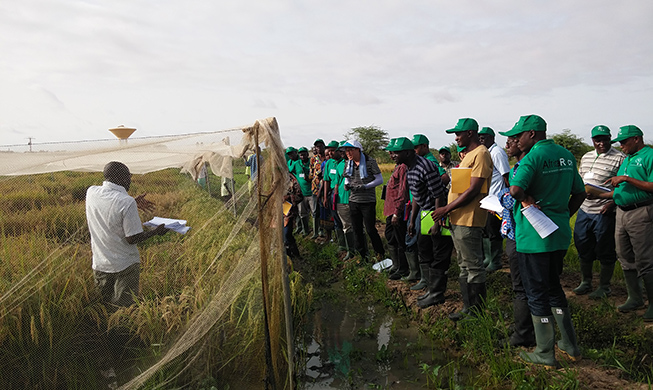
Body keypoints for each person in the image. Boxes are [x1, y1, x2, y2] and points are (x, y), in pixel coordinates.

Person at [502, 114, 586, 368]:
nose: (515, 140)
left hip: (533, 237)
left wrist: (528, 201)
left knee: (536, 292)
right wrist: (560, 216)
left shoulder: (533, 157)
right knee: (554, 288)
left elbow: (515, 191)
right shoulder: (566, 155)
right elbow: (580, 193)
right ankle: (570, 345)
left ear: (532, 135)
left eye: (518, 136)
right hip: (558, 233)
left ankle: (544, 352)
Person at [431, 118, 492, 320]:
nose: (456, 138)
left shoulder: (481, 154)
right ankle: (467, 308)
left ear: (470, 133)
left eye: (459, 134)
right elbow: (459, 187)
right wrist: (449, 212)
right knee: (464, 266)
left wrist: (445, 209)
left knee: (473, 267)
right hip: (458, 219)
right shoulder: (468, 156)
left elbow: (474, 189)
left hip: (470, 219)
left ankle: (477, 313)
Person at [86, 161, 169, 308]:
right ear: (121, 178)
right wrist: (156, 232)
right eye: (128, 176)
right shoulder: (126, 202)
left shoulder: (91, 192)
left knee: (103, 308)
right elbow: (132, 238)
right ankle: (121, 332)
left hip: (100, 264)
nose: (130, 180)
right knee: (123, 311)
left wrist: (131, 202)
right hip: (124, 266)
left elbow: (109, 206)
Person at [593, 125, 653, 320]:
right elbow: (622, 188)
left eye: (624, 141)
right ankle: (634, 298)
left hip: (642, 212)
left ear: (637, 139)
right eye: (619, 142)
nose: (621, 145)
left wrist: (626, 178)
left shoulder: (648, 156)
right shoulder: (627, 159)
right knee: (624, 256)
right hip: (621, 212)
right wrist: (598, 194)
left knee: (645, 259)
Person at [395, 137, 451, 308]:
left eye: (396, 152)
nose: (392, 155)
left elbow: (438, 196)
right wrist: (412, 220)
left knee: (438, 253)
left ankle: (437, 294)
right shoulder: (409, 168)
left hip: (436, 214)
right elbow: (417, 197)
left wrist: (437, 221)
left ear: (406, 152)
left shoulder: (425, 167)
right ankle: (430, 288)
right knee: (424, 250)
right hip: (424, 214)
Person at [572, 125, 625, 299]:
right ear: (592, 140)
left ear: (610, 139)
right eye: (598, 140)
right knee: (582, 243)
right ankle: (586, 282)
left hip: (604, 211)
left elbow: (624, 187)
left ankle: (604, 286)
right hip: (585, 209)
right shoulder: (587, 157)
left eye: (605, 139)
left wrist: (611, 203)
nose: (602, 143)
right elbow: (580, 179)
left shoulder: (619, 158)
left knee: (605, 248)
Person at [498, 133, 535, 347]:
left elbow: (512, 195)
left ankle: (524, 335)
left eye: (511, 143)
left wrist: (504, 197)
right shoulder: (518, 167)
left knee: (521, 285)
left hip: (520, 233)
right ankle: (523, 326)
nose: (508, 146)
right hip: (516, 231)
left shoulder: (525, 168)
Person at [342, 139, 385, 261]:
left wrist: (365, 186)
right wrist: (347, 184)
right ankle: (362, 255)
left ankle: (379, 253)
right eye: (346, 151)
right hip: (353, 200)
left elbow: (379, 179)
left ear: (358, 150)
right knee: (356, 229)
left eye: (350, 150)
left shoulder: (370, 162)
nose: (348, 153)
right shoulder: (348, 163)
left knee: (370, 229)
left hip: (367, 200)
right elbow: (347, 178)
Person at [478, 127, 511, 272]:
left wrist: (507, 199)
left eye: (484, 138)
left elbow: (506, 176)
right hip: (486, 198)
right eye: (479, 138)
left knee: (493, 230)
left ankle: (495, 261)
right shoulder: (485, 153)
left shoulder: (497, 152)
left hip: (496, 198)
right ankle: (488, 258)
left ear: (492, 138)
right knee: (485, 229)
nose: (481, 140)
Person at [383, 139, 410, 280]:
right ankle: (396, 265)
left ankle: (403, 268)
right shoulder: (397, 166)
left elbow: (403, 191)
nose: (391, 155)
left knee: (400, 240)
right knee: (391, 236)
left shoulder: (403, 168)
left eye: (394, 152)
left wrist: (396, 213)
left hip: (397, 210)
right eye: (390, 152)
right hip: (390, 208)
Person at [334, 141, 355, 260]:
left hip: (354, 198)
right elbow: (337, 183)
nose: (342, 153)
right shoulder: (339, 165)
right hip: (342, 199)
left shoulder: (356, 163)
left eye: (345, 151)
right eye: (340, 151)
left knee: (357, 225)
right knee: (346, 225)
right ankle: (350, 250)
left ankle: (361, 250)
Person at [293, 147, 313, 236]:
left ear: (307, 154)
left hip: (312, 193)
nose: (302, 156)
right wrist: (295, 180)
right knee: (302, 212)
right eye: (300, 154)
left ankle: (318, 232)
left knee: (315, 212)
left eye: (304, 154)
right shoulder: (296, 164)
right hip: (301, 194)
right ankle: (305, 231)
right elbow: (288, 171)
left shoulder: (312, 162)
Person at [283, 172, 304, 258]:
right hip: (275, 212)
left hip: (288, 212)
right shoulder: (272, 179)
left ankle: (292, 254)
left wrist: (288, 197)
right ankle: (288, 253)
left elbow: (300, 196)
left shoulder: (292, 180)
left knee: (287, 233)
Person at [310, 139, 326, 239]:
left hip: (326, 188)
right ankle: (316, 232)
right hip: (315, 188)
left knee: (325, 210)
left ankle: (324, 231)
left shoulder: (327, 158)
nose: (318, 148)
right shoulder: (313, 159)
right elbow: (311, 174)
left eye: (320, 146)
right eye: (316, 147)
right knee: (315, 211)